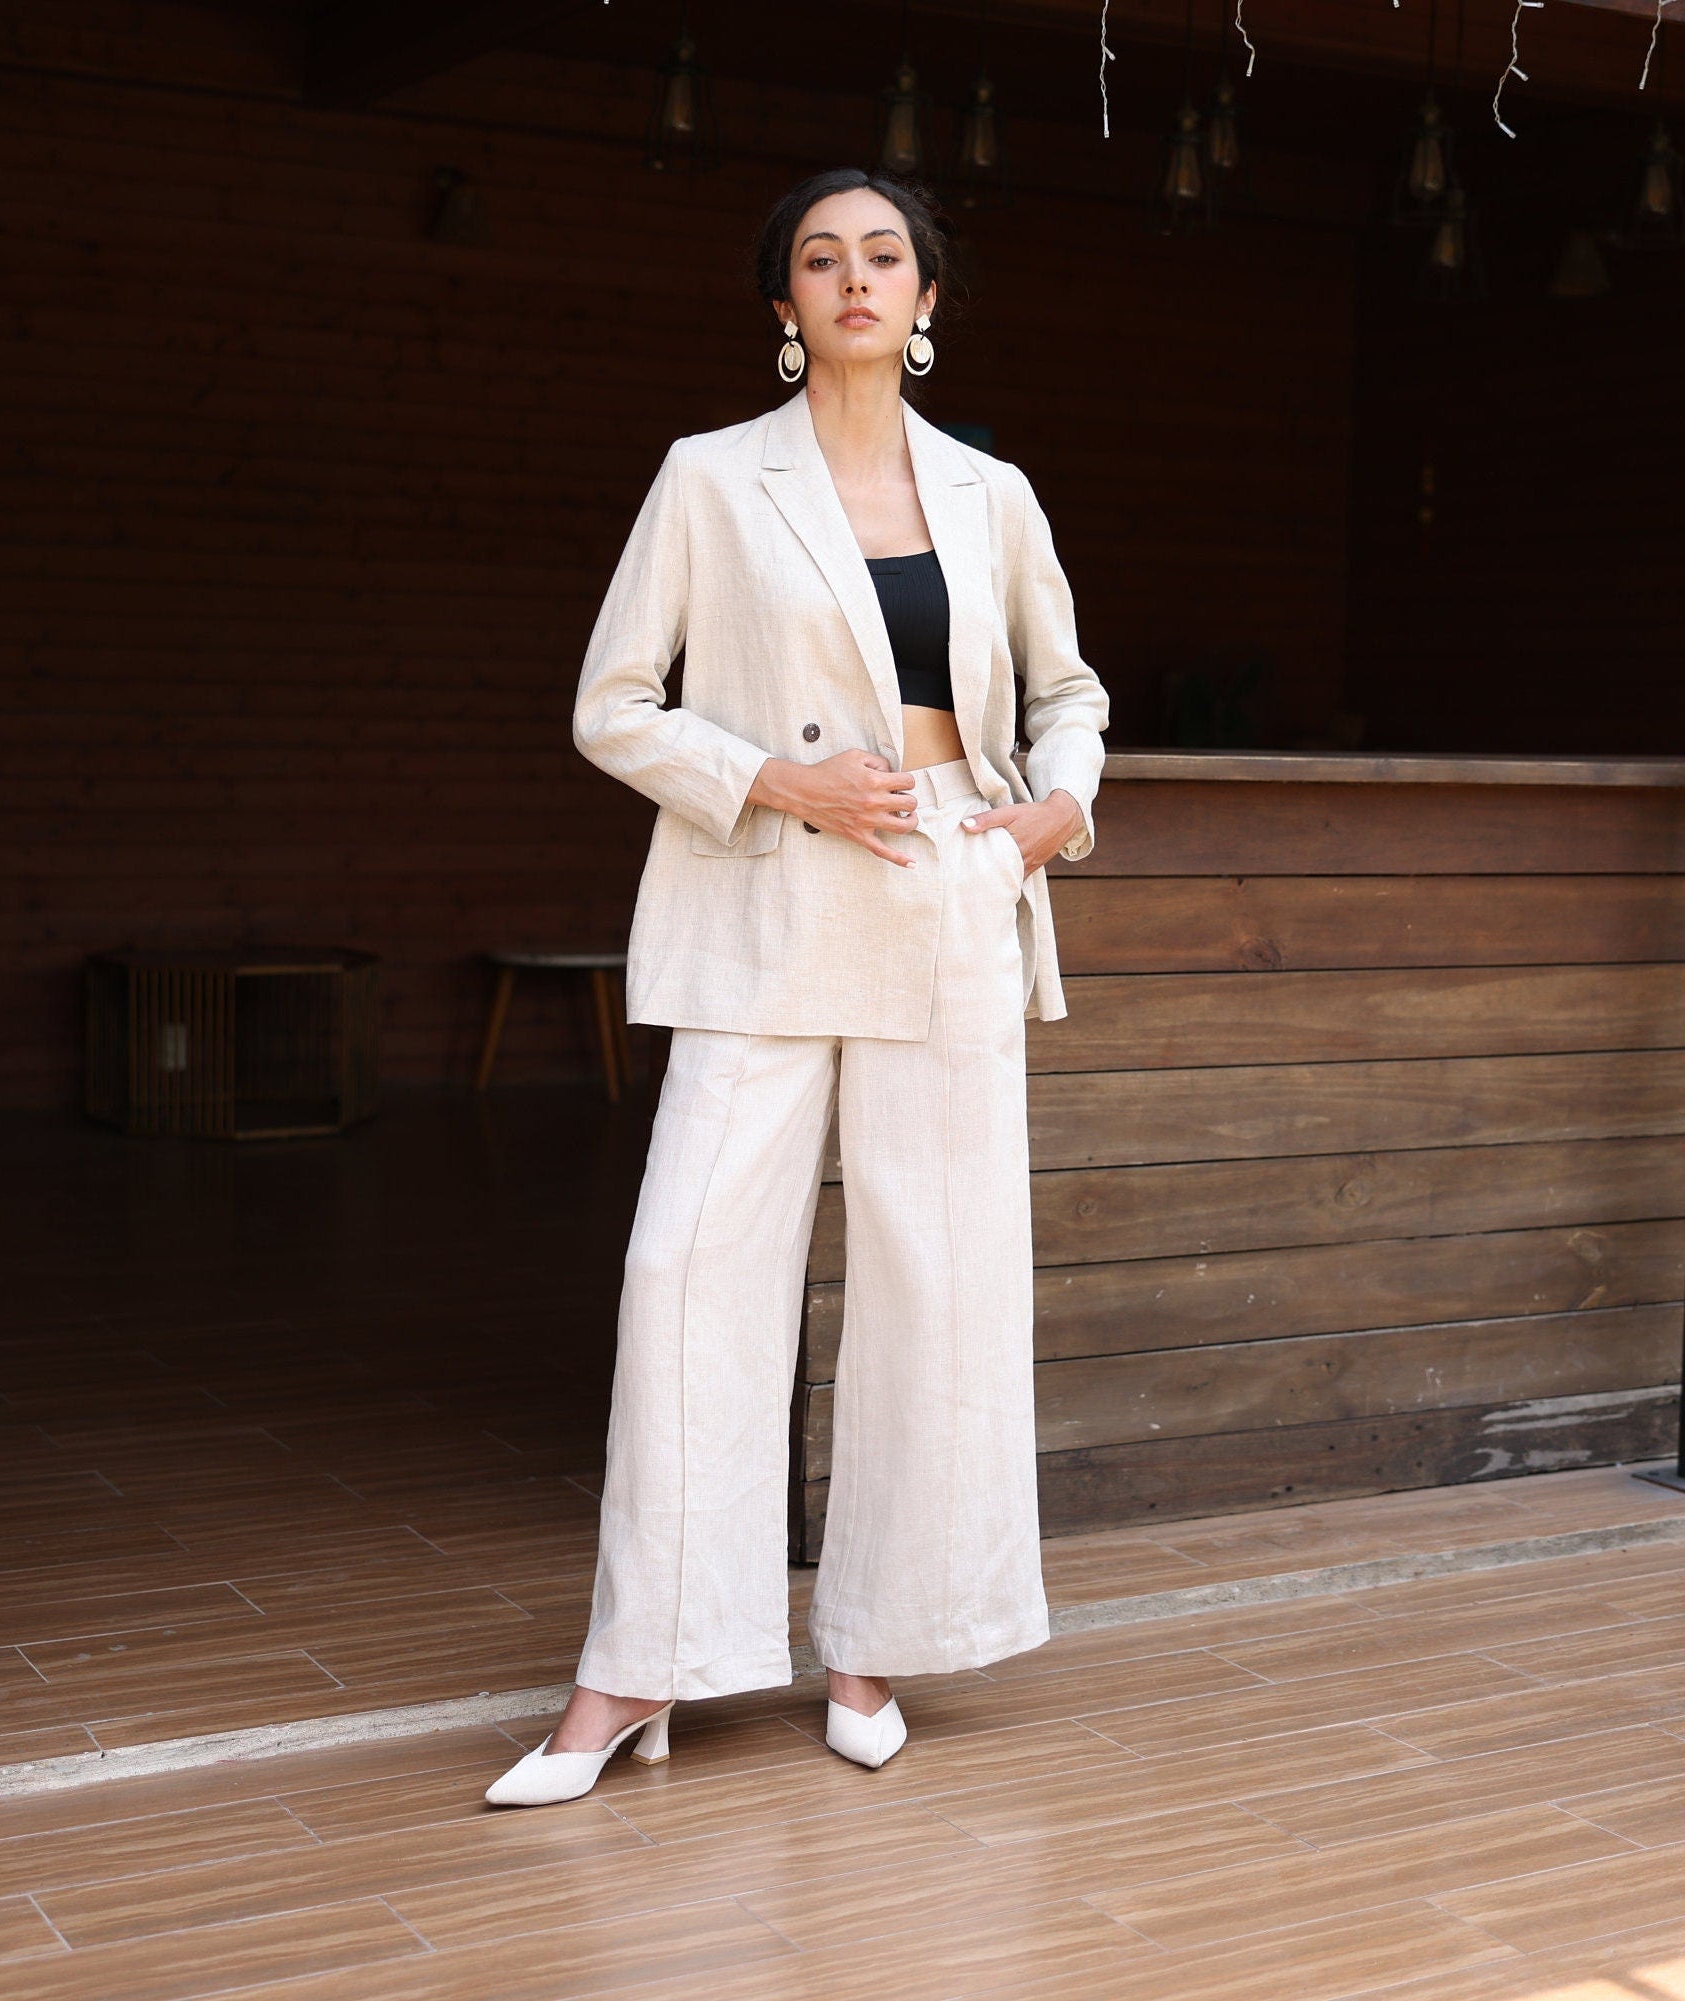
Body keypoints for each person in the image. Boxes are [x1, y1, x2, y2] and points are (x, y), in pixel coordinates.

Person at [484, 166, 1109, 1807]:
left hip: (950, 898)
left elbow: (1069, 689)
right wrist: (774, 777)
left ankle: (872, 1642)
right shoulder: (707, 479)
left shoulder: (992, 491)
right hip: (767, 899)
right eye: (819, 259)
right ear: (782, 305)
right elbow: (612, 705)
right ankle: (639, 1666)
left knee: (938, 1284)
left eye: (882, 256)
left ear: (925, 301)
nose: (852, 279)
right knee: (687, 1269)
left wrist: (1052, 807)